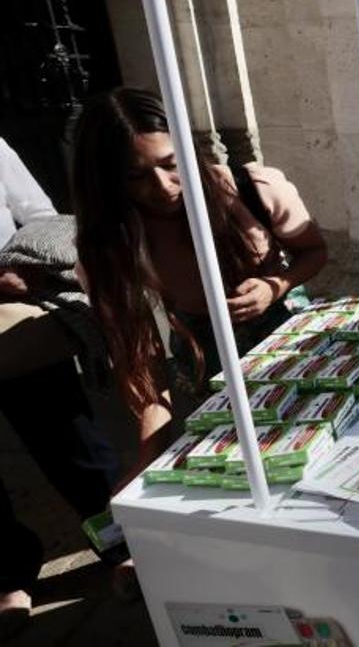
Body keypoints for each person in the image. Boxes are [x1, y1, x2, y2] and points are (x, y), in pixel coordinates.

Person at [72, 88, 328, 471]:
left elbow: (315, 252)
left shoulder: (251, 188)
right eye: (136, 176)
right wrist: (147, 462)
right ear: (108, 181)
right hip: (207, 365)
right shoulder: (111, 245)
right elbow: (143, 367)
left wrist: (276, 286)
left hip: (292, 346)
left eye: (171, 164)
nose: (162, 186)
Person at [0, 138, 127, 636]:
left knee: (69, 437)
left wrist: (23, 265)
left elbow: (38, 214)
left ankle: (122, 541)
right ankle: (8, 568)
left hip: (9, 318)